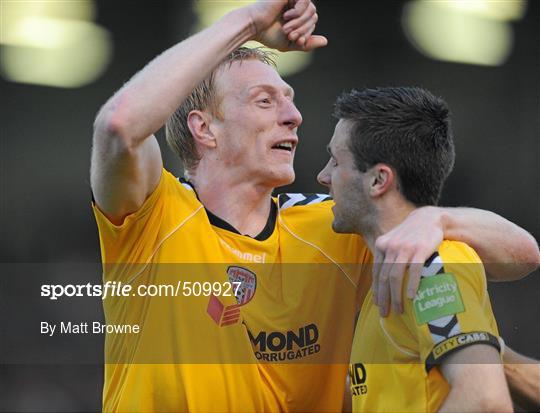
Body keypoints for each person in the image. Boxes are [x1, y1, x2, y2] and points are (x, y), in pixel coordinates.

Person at [90, 1, 539, 411]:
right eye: (265, 101)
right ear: (203, 129)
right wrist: (245, 23)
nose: (294, 115)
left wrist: (437, 219)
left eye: (290, 100)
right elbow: (118, 125)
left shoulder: (333, 228)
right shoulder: (154, 216)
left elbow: (521, 256)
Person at [317, 86, 537, 412]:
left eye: (335, 161)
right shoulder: (392, 270)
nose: (322, 176)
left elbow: (485, 401)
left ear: (379, 181)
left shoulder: (430, 266)